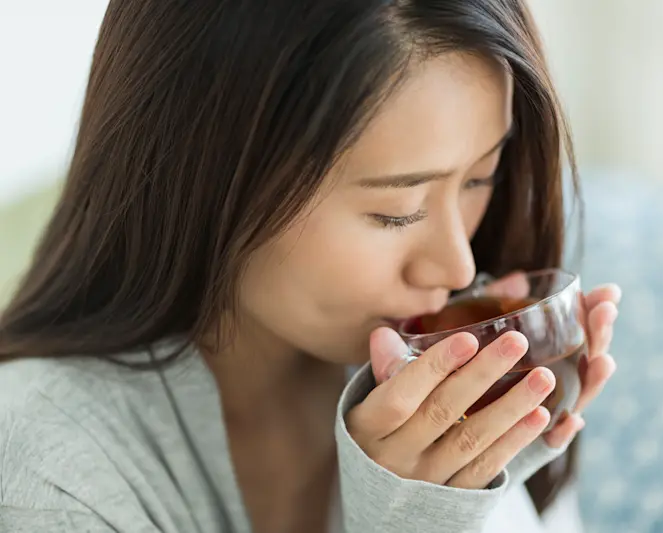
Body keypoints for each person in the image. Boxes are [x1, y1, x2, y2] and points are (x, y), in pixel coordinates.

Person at [0, 1, 620, 532]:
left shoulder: (456, 387)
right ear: (209, 180)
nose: (458, 266)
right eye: (396, 211)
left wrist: (487, 485)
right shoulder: (48, 469)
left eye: (480, 177)